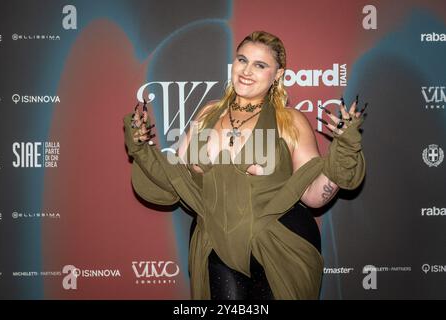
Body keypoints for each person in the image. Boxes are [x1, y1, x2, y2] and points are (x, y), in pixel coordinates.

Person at [123, 31, 366, 300]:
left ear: (278, 75)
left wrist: (344, 151)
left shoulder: (290, 121)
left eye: (260, 65)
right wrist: (141, 148)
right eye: (242, 60)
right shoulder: (208, 113)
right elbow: (176, 177)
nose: (247, 71)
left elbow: (312, 194)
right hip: (215, 241)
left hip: (279, 242)